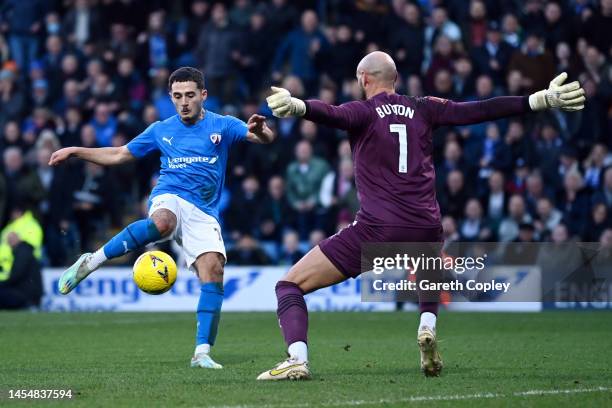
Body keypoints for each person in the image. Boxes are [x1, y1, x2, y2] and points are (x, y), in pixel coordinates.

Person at [258, 51, 585, 380]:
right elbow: (479, 109)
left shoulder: (362, 111)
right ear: (395, 80)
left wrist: (299, 106)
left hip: (377, 228)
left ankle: (297, 358)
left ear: (364, 79)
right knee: (428, 262)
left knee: (289, 285)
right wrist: (536, 100)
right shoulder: (426, 107)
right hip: (425, 224)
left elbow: (330, 114)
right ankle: (427, 326)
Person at [49, 67, 274, 369]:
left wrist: (260, 129)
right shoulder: (161, 129)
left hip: (203, 211)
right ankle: (91, 261)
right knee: (163, 222)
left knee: (214, 271)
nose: (184, 102)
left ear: (203, 96)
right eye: (177, 96)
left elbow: (263, 138)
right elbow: (119, 155)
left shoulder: (222, 124)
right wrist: (76, 150)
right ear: (170, 97)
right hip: (170, 195)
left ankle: (202, 353)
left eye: (190, 96)